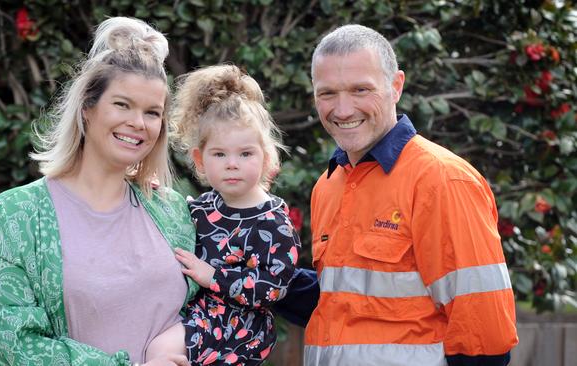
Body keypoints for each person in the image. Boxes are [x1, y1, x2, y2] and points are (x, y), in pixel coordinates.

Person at [0, 17, 198, 366]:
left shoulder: (171, 211)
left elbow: (210, 306)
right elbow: (19, 345)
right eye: (122, 104)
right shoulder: (13, 217)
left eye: (152, 112)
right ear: (87, 109)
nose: (138, 123)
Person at [295, 24, 519, 365]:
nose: (342, 110)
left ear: (396, 86)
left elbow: (483, 334)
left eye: (360, 90)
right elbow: (339, 304)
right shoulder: (328, 185)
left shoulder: (442, 179)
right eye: (327, 94)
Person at [144, 65, 301, 365]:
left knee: (160, 351)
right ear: (200, 160)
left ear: (266, 157)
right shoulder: (202, 209)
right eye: (220, 154)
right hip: (197, 316)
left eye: (245, 154)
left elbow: (275, 288)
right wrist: (152, 194)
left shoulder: (273, 222)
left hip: (240, 329)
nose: (232, 164)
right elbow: (169, 225)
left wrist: (214, 276)